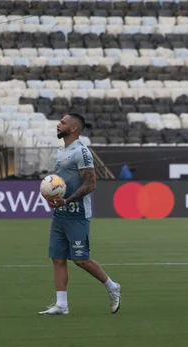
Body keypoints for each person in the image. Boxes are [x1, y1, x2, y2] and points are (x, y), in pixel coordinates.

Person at [39, 113, 122, 315]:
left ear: (74, 128)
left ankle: (112, 286)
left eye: (63, 123)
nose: (58, 125)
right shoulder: (61, 151)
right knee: (58, 258)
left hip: (77, 214)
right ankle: (61, 304)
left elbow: (91, 184)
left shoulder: (81, 152)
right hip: (61, 214)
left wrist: (67, 200)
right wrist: (55, 197)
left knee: (81, 260)